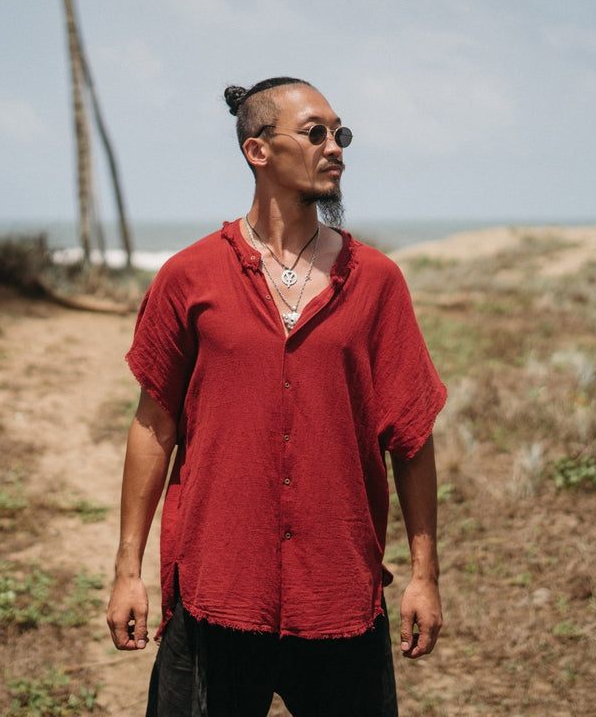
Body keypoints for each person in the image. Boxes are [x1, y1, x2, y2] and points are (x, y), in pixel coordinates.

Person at [106, 76, 447, 717]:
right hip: (218, 591)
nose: (335, 147)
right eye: (314, 132)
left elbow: (412, 438)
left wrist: (425, 577)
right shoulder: (190, 276)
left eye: (339, 134)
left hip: (340, 598)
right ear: (258, 151)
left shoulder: (376, 282)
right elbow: (154, 424)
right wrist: (129, 569)